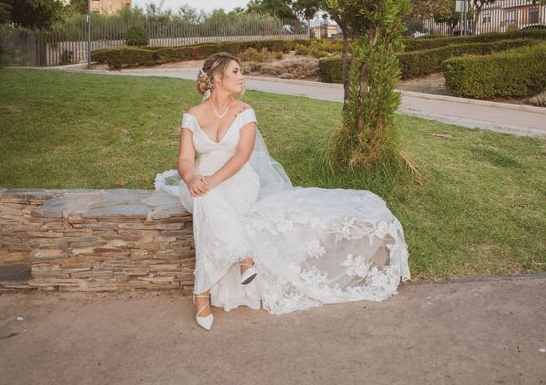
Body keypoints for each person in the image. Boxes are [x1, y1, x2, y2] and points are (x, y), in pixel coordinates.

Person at [154, 52, 410, 331]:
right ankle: (243, 258)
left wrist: (212, 181)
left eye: (241, 72)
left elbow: (242, 156)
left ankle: (202, 293)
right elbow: (184, 159)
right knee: (204, 199)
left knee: (207, 200)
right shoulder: (192, 116)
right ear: (217, 79)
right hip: (198, 179)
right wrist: (191, 177)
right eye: (236, 72)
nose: (242, 77)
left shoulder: (245, 112)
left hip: (237, 179)